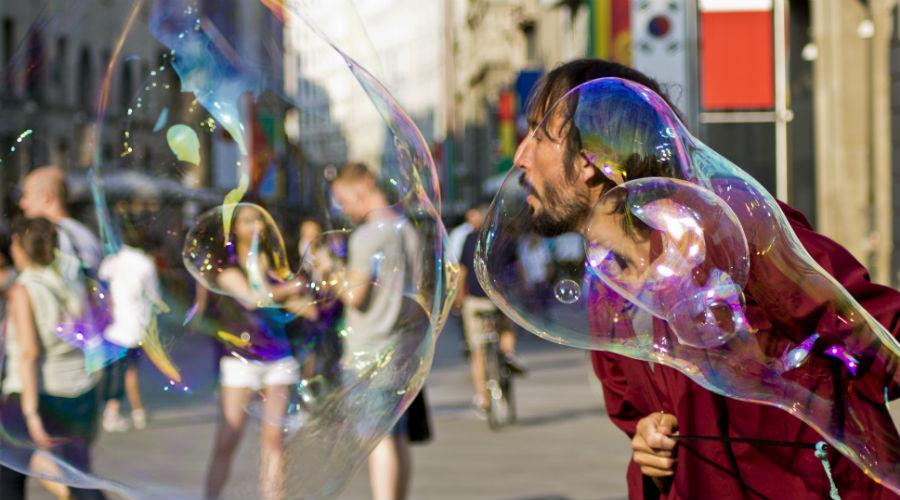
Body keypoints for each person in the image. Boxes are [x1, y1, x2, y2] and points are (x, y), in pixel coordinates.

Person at [514, 58, 900, 498]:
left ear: (590, 158)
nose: (520, 156)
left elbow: (874, 330)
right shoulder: (608, 291)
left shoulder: (725, 231)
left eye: (538, 133)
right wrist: (650, 452)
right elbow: (637, 426)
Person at [330, 162, 428, 500]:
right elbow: (419, 300)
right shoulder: (408, 232)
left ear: (361, 188)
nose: (343, 208)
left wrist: (333, 272)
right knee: (396, 437)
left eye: (343, 199)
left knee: (377, 440)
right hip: (400, 350)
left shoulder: (366, 236)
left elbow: (355, 297)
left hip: (369, 351)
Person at [203, 203, 314, 500]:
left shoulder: (275, 265)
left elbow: (298, 307)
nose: (256, 227)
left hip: (279, 358)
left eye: (260, 221)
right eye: (248, 221)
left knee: (274, 440)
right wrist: (292, 288)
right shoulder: (226, 268)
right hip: (241, 360)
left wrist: (316, 299)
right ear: (235, 228)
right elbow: (253, 299)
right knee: (228, 439)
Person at [0, 217, 105, 500]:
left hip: (36, 392)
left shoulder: (23, 290)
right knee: (78, 474)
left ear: (21, 247)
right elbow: (92, 338)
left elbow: (29, 353)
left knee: (7, 474)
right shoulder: (72, 283)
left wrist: (31, 413)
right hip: (78, 392)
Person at [457, 204, 526, 415]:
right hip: (500, 299)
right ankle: (508, 353)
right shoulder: (505, 238)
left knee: (477, 352)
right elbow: (518, 268)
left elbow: (462, 270)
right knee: (506, 326)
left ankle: (483, 399)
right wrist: (521, 290)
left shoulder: (470, 239)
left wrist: (458, 298)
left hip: (475, 301)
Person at [97, 236, 163, 432]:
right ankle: (117, 412)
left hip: (111, 325)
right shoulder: (145, 264)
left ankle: (135, 411)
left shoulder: (113, 260)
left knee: (115, 369)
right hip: (134, 326)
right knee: (128, 370)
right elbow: (155, 296)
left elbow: (100, 284)